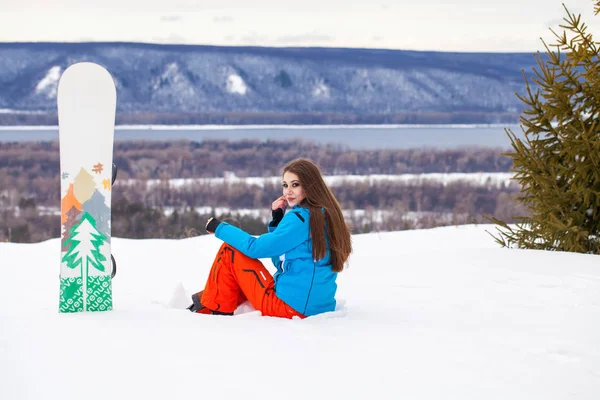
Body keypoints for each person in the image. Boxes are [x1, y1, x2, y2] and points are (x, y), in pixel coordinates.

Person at [187, 158, 352, 318]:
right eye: (285, 185)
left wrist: (219, 228)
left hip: (290, 309)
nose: (288, 191)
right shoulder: (325, 215)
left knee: (230, 251)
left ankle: (213, 310)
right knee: (240, 268)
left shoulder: (301, 219)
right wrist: (278, 220)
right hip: (317, 306)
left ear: (310, 185)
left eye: (295, 185)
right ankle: (212, 302)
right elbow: (280, 258)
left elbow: (255, 248)